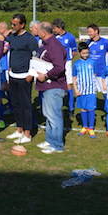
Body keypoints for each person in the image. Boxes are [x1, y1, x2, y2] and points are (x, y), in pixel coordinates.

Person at [34, 21, 67, 154]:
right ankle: (50, 140)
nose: (36, 31)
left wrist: (46, 75)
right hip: (46, 86)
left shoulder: (54, 45)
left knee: (54, 115)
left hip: (54, 85)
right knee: (48, 114)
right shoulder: (45, 44)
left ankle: (57, 145)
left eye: (38, 29)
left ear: (43, 32)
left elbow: (59, 67)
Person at [5, 13, 38, 144]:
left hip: (25, 77)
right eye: (11, 23)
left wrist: (31, 73)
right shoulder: (11, 37)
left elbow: (36, 57)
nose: (12, 26)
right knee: (15, 104)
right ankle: (19, 129)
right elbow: (8, 52)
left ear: (22, 25)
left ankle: (27, 133)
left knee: (25, 105)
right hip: (13, 76)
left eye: (14, 24)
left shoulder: (30, 39)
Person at [73, 42, 98, 138]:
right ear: (79, 53)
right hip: (81, 90)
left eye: (87, 53)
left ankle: (91, 128)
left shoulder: (92, 62)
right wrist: (76, 89)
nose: (85, 55)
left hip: (91, 90)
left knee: (91, 108)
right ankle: (85, 127)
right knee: (83, 108)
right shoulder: (76, 64)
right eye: (83, 53)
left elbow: (95, 75)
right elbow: (74, 77)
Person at [53, 18, 78, 112]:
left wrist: (68, 58)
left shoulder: (70, 37)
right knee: (56, 83)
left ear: (59, 28)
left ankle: (71, 107)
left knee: (68, 84)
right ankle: (56, 105)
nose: (54, 30)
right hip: (55, 63)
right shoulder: (54, 37)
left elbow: (75, 51)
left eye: (55, 28)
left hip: (67, 63)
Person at [86, 24, 108, 93]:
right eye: (88, 32)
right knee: (91, 92)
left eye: (90, 31)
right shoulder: (88, 43)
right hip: (91, 72)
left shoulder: (105, 42)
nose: (89, 33)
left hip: (103, 72)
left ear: (96, 31)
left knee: (106, 92)